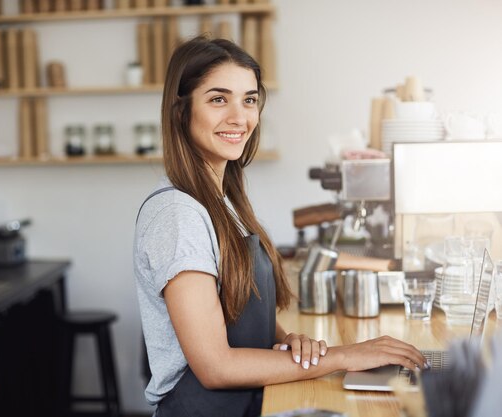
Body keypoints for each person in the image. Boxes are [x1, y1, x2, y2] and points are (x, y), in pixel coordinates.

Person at [133, 35, 427, 417]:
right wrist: (344, 356)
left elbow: (235, 312)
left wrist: (291, 342)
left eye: (249, 99)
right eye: (218, 99)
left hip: (246, 402)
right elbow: (215, 367)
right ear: (181, 111)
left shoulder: (221, 201)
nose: (240, 117)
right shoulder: (178, 213)